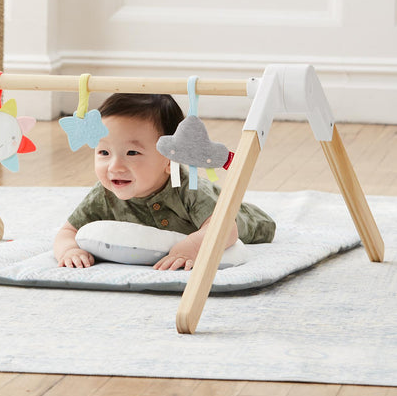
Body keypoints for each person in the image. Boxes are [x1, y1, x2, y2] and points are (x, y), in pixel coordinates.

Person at [54, 93, 276, 270]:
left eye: (132, 152)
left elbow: (227, 229)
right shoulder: (102, 194)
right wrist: (69, 250)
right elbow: (67, 232)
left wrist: (189, 248)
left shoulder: (189, 188)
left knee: (239, 218)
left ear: (171, 160)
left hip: (246, 220)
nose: (114, 167)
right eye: (103, 152)